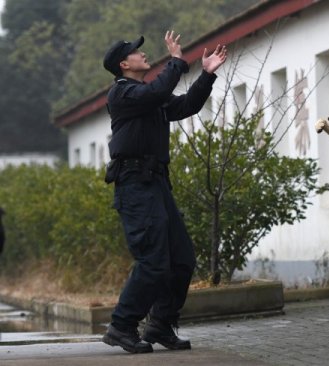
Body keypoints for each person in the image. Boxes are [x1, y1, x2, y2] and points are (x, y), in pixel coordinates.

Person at [101, 31, 226, 354]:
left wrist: (207, 75)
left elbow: (186, 105)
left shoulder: (147, 95)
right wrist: (176, 61)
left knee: (182, 258)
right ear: (123, 64)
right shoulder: (122, 94)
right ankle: (122, 326)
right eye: (136, 53)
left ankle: (160, 324)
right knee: (154, 261)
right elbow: (159, 92)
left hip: (156, 184)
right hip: (134, 186)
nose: (144, 55)